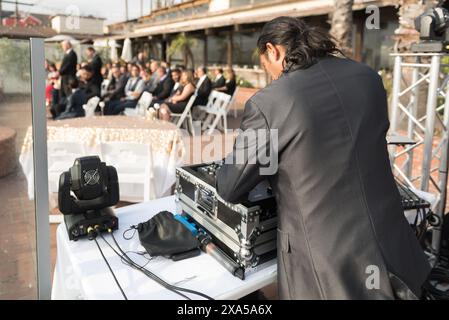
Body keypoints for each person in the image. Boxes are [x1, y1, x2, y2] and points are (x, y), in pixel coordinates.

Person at [216, 16, 431, 300]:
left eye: (266, 66)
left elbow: (230, 186)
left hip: (325, 266)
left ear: (273, 50)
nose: (271, 76)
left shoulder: (269, 102)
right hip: (392, 244)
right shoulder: (368, 77)